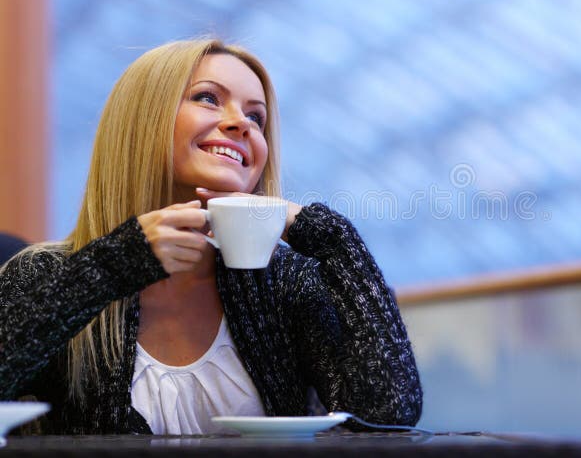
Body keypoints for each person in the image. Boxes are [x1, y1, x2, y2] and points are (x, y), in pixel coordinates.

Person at [0, 39, 422, 435]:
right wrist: (117, 264)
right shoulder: (47, 274)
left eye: (257, 117)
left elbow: (388, 415)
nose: (243, 124)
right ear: (141, 121)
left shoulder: (288, 283)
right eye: (208, 98)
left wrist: (332, 239)